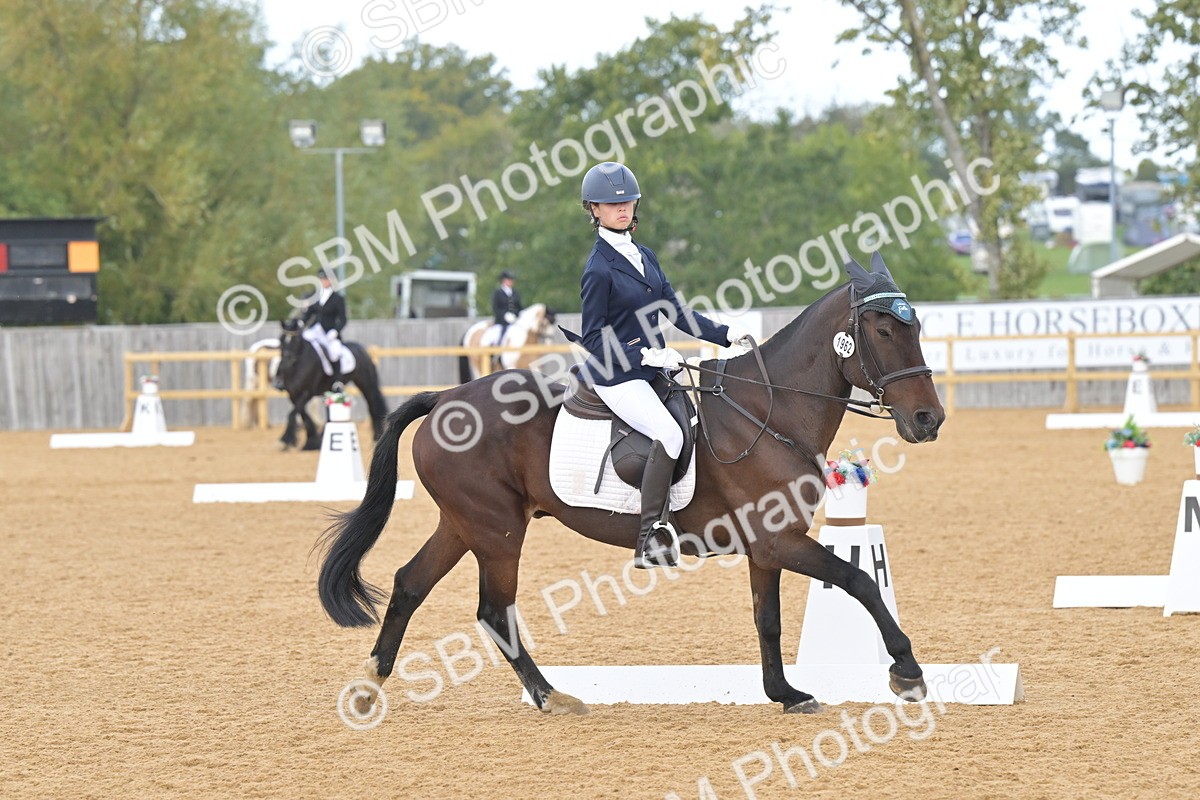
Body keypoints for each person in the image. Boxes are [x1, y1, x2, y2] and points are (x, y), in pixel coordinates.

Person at [568, 162, 752, 569]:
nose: (621, 209)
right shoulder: (598, 268)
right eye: (610, 204)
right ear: (593, 210)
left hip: (653, 369)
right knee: (669, 435)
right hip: (617, 376)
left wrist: (724, 334)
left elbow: (674, 310)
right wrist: (643, 355)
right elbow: (595, 339)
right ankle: (650, 536)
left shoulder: (644, 255)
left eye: (627, 202)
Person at [302, 270, 349, 376]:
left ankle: (337, 381)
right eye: (322, 279)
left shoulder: (338, 299)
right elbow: (308, 315)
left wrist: (335, 331)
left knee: (335, 353)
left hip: (328, 332)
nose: (324, 281)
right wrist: (300, 323)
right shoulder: (315, 296)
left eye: (326, 279)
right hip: (314, 330)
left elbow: (343, 319)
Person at [490, 270, 523, 343]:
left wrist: (517, 314)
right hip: (501, 322)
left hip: (515, 321)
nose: (511, 281)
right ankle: (498, 350)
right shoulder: (497, 293)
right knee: (497, 336)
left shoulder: (515, 293)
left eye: (512, 280)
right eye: (509, 280)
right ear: (503, 280)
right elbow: (495, 308)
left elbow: (519, 307)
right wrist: (505, 315)